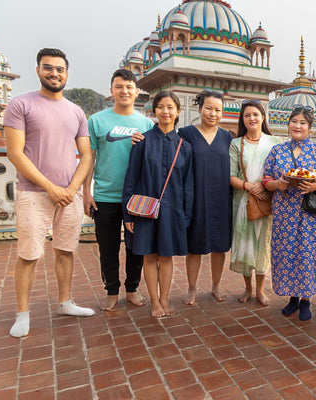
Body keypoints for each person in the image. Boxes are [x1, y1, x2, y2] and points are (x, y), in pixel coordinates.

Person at [4, 48, 94, 337]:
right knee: (29, 255)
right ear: (38, 70)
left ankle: (65, 302)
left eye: (59, 69)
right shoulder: (21, 105)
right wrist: (50, 188)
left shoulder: (76, 111)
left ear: (67, 73)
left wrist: (70, 189)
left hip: (69, 195)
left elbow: (87, 155)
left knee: (66, 251)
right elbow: (15, 154)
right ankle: (22, 313)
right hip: (34, 192)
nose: (54, 73)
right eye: (48, 68)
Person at [84, 69, 153, 311]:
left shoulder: (146, 124)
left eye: (129, 87)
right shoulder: (97, 121)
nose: (124, 91)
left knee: (136, 247)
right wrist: (86, 192)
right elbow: (88, 159)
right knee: (108, 247)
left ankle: (132, 288)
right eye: (119, 86)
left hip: (136, 198)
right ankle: (111, 290)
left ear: (136, 91)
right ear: (112, 90)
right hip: (105, 197)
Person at [123, 91, 194, 317]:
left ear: (178, 112)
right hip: (145, 210)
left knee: (166, 256)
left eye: (170, 107)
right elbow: (131, 179)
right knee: (149, 256)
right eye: (161, 107)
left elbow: (187, 185)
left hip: (172, 211)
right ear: (154, 111)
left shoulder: (185, 146)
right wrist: (128, 215)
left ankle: (165, 299)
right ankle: (154, 301)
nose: (166, 112)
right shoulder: (143, 141)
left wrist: (185, 216)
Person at [262, 106, 316, 321]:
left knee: (307, 254)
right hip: (284, 212)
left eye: (303, 123)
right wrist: (278, 184)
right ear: (288, 125)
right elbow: (266, 179)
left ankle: (305, 300)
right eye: (294, 121)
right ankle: (292, 297)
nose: (297, 126)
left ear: (310, 129)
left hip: (309, 214)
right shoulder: (277, 151)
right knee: (286, 252)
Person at [179, 90, 232, 305]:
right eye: (208, 108)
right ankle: (191, 288)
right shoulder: (186, 134)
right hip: (196, 199)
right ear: (199, 108)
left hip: (221, 200)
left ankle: (216, 286)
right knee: (195, 246)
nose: (212, 113)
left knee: (219, 246)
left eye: (217, 110)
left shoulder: (227, 137)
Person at [229, 100, 281, 306]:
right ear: (243, 119)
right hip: (243, 201)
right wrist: (250, 187)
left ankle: (260, 289)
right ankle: (248, 288)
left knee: (262, 245)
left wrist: (262, 185)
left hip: (266, 201)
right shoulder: (236, 144)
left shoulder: (274, 142)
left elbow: (279, 172)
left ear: (262, 117)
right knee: (245, 245)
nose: (251, 118)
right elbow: (231, 176)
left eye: (255, 114)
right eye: (247, 115)